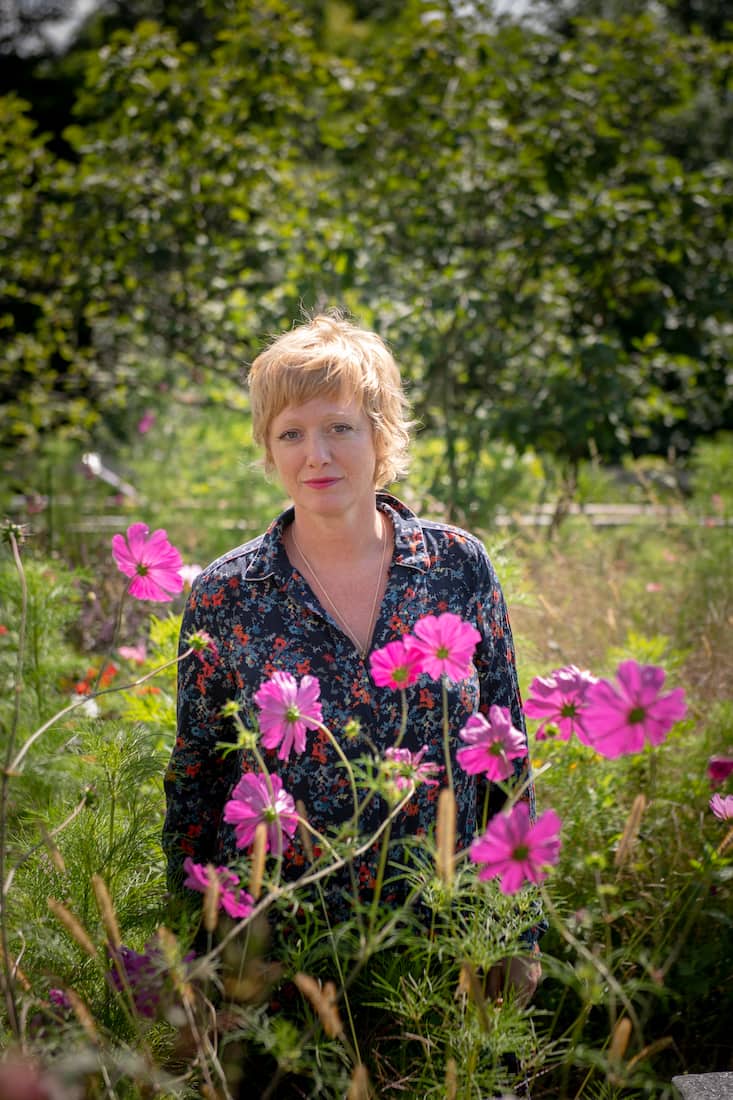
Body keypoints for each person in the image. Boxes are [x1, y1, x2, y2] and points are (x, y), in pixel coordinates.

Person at [162, 310, 542, 1006]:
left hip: (446, 944)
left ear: (381, 433)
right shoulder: (225, 595)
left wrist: (518, 932)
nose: (317, 455)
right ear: (268, 449)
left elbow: (504, 746)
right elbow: (197, 773)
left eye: (339, 426)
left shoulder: (455, 567)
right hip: (281, 958)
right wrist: (197, 949)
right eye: (291, 434)